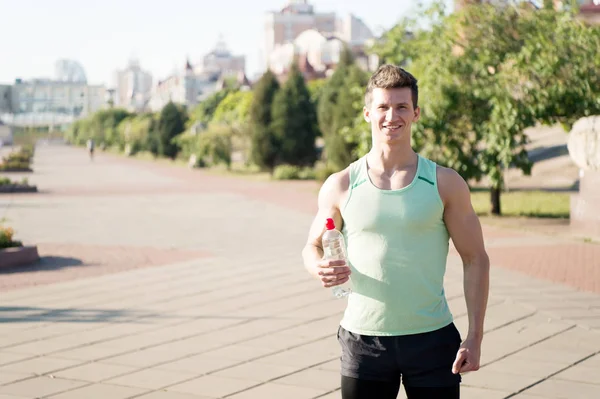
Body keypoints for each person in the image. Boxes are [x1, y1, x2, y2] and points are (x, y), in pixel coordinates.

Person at [301, 64, 490, 399]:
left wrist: (475, 335)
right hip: (364, 340)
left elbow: (475, 259)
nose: (392, 116)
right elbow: (312, 245)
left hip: (432, 338)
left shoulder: (445, 183)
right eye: (383, 107)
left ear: (416, 113)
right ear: (367, 113)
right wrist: (318, 266)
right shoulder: (342, 184)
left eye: (402, 106)